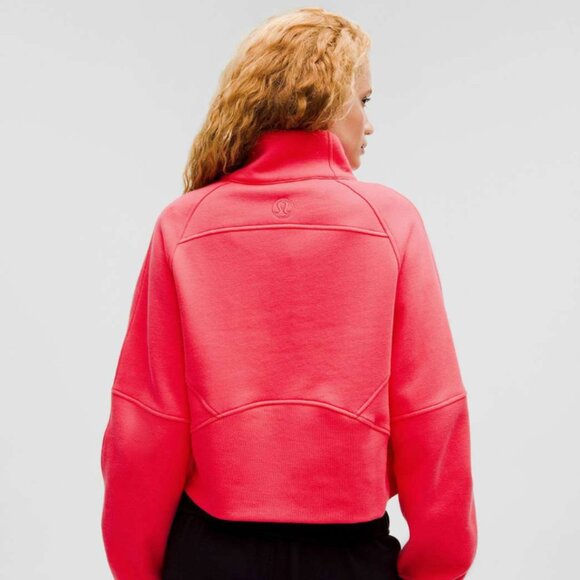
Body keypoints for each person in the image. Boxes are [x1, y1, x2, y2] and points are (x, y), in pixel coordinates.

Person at [100, 7, 478, 580]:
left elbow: (146, 422)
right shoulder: (389, 221)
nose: (369, 125)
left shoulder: (185, 224)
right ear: (326, 100)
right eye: (364, 101)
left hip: (211, 555)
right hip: (348, 555)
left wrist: (138, 569)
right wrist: (437, 566)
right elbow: (431, 411)